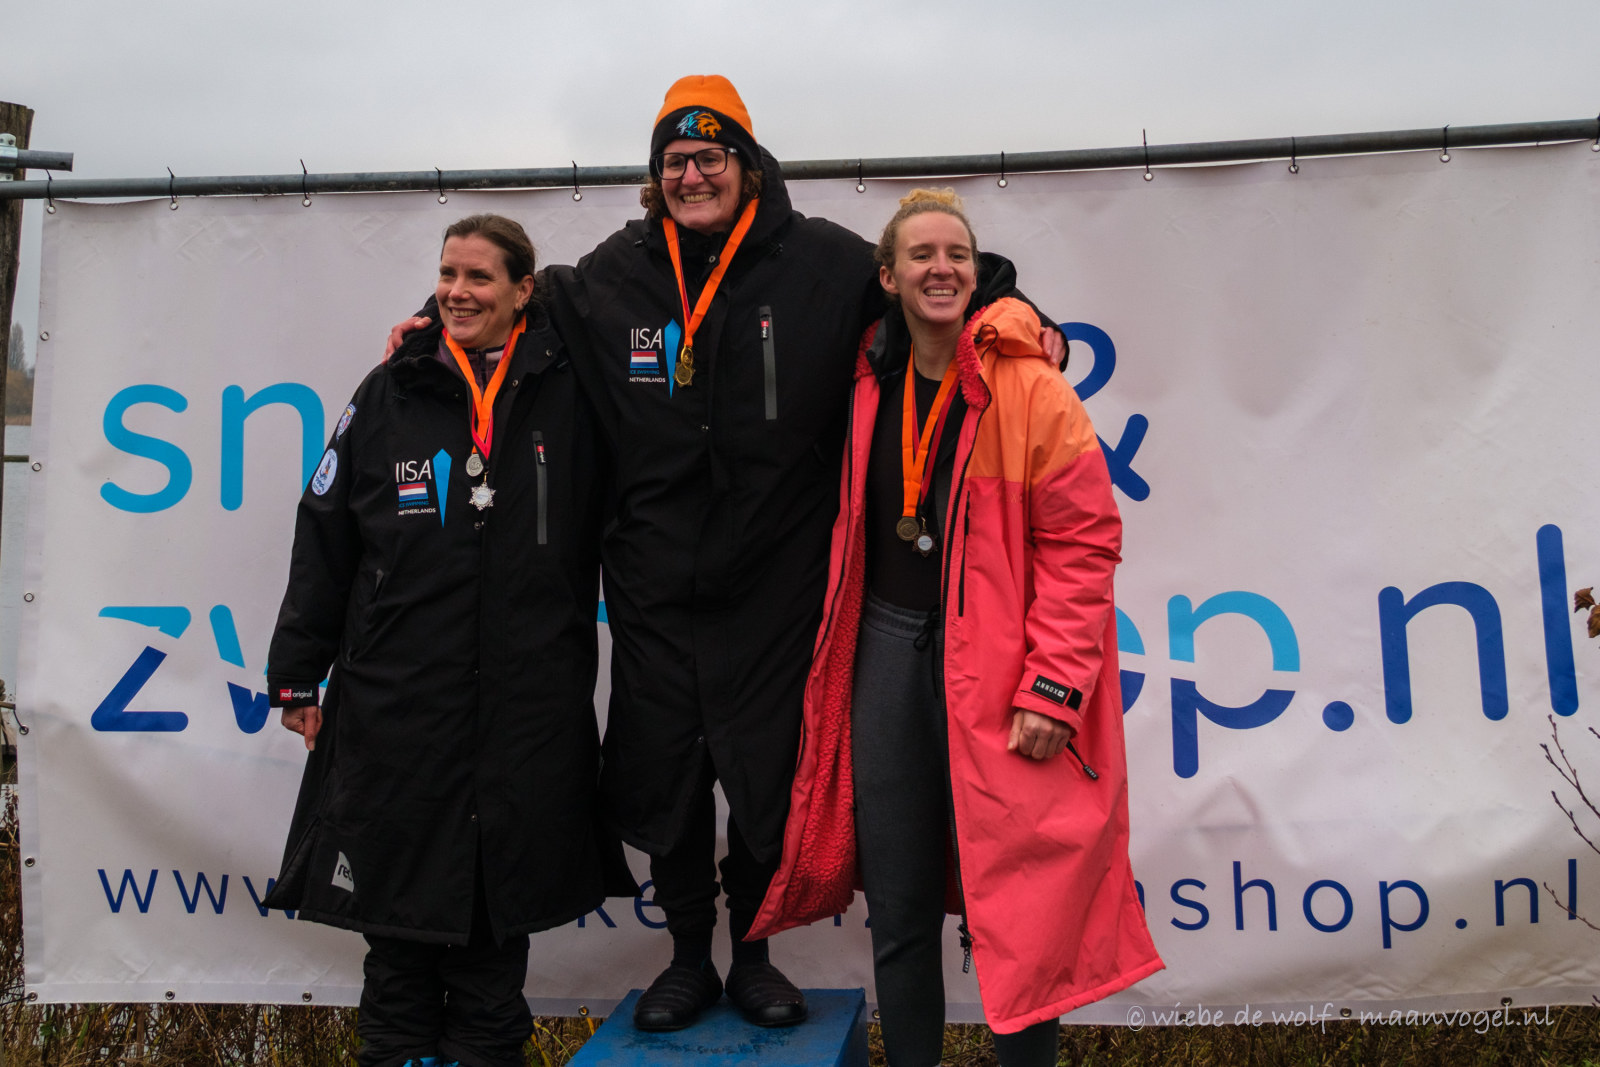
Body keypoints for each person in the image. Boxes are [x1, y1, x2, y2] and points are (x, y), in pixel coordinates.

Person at [385, 76, 1064, 1033]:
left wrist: (1016, 312)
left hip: (778, 582)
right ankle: (685, 957)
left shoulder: (824, 262)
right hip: (653, 585)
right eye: (675, 162)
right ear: (655, 176)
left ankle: (752, 956)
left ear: (749, 166)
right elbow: (509, 300)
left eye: (710, 157)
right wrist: (429, 318)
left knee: (765, 776)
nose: (692, 175)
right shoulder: (613, 274)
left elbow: (940, 278)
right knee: (665, 774)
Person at [746, 190, 1165, 1066]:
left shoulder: (1031, 386)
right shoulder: (865, 377)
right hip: (886, 650)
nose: (942, 269)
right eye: (922, 255)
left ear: (979, 275)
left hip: (1005, 667)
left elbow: (1085, 543)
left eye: (958, 255)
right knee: (899, 907)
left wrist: (1055, 683)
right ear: (888, 276)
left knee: (1022, 906)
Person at [264, 214, 633, 1067]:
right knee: (395, 951)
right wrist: (297, 675)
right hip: (399, 708)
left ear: (523, 291)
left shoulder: (572, 389)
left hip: (525, 709)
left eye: (479, 277)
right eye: (447, 275)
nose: (458, 293)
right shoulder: (390, 388)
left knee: (491, 956)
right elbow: (325, 533)